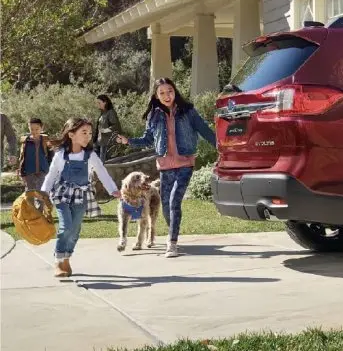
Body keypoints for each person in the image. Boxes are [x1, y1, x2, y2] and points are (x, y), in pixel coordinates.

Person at [116, 78, 215, 258]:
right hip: (165, 166)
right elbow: (148, 139)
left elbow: (205, 130)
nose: (166, 95)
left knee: (174, 202)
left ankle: (172, 242)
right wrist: (128, 141)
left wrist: (222, 146)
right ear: (156, 96)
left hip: (185, 163)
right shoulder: (154, 115)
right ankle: (172, 232)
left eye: (169, 91)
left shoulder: (188, 111)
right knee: (166, 206)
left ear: (174, 91)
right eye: (161, 92)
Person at [42, 117, 120, 277]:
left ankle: (66, 258)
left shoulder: (90, 155)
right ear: (71, 134)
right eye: (84, 132)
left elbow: (102, 173)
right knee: (66, 226)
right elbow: (51, 176)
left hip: (81, 195)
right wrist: (42, 194)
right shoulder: (60, 155)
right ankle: (58, 260)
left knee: (75, 230)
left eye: (90, 133)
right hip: (62, 195)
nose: (88, 136)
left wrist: (113, 190)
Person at [17, 118, 54, 191]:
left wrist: (51, 171)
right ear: (28, 128)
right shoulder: (25, 141)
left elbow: (51, 156)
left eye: (37, 129)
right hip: (29, 173)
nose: (34, 131)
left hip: (43, 172)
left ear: (41, 128)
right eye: (32, 129)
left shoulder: (46, 140)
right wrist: (22, 173)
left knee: (43, 193)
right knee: (30, 194)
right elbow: (22, 158)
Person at [94, 94, 122, 162]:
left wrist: (104, 130)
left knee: (104, 163)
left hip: (108, 143)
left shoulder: (111, 112)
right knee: (98, 163)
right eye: (97, 103)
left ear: (105, 102)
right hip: (100, 142)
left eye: (99, 103)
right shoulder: (103, 113)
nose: (98, 104)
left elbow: (116, 126)